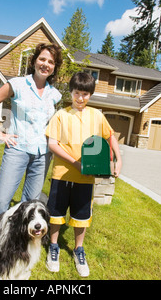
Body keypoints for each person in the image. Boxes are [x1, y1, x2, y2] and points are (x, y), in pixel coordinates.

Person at [45, 72, 122, 277]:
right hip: (62, 174)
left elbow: (110, 136)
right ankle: (54, 246)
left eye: (85, 94)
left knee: (82, 215)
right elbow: (52, 144)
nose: (80, 98)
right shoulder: (61, 115)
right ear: (71, 92)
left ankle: (79, 249)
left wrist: (117, 159)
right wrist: (75, 163)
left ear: (90, 95)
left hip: (86, 177)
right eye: (77, 93)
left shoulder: (97, 116)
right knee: (56, 213)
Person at [0, 43, 63, 220]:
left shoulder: (55, 94)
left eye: (51, 62)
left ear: (54, 67)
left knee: (30, 203)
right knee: (2, 200)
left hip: (43, 154)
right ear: (34, 61)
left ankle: (18, 242)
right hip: (17, 149)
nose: (45, 64)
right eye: (42, 59)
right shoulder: (17, 84)